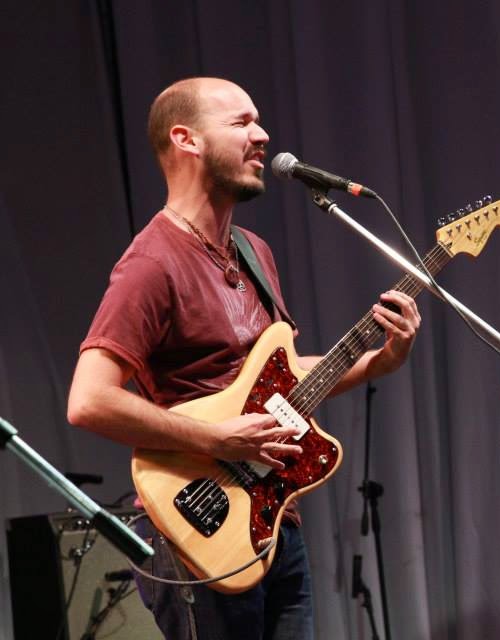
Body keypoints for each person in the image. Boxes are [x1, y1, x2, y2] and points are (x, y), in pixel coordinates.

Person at [67, 77, 421, 639]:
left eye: (257, 121)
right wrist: (217, 440)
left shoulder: (254, 252)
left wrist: (380, 361)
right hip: (198, 526)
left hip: (272, 520)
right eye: (241, 123)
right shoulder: (152, 264)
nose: (262, 136)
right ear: (186, 139)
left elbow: (283, 380)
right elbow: (88, 401)